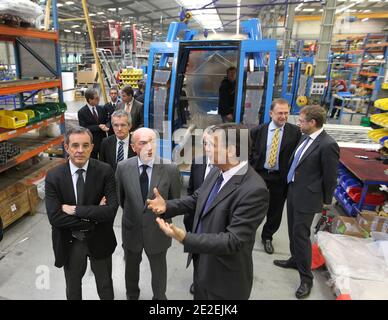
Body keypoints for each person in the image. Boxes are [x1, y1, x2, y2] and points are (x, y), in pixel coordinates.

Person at [147, 123, 269, 300]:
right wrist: (168, 206)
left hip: (224, 279)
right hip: (202, 264)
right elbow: (198, 198)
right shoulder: (217, 171)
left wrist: (185, 238)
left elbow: (233, 240)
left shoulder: (254, 190)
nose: (206, 150)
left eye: (212, 145)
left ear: (232, 151)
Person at [45, 126, 118, 300]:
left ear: (92, 147)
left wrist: (75, 210)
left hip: (100, 239)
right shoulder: (54, 176)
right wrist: (92, 218)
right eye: (75, 145)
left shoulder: (105, 171)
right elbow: (55, 218)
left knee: (105, 285)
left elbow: (111, 210)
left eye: (85, 145)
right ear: (66, 147)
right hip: (71, 242)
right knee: (73, 288)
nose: (80, 150)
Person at [274, 105, 339, 299]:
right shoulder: (305, 137)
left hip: (308, 198)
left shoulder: (328, 145)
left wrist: (326, 201)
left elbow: (330, 176)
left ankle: (306, 279)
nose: (298, 123)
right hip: (294, 191)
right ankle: (295, 259)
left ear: (313, 122)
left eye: (301, 120)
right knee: (293, 230)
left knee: (301, 236)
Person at [116, 127, 181, 300]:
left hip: (158, 232)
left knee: (159, 270)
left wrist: (165, 208)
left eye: (152, 141)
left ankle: (159, 298)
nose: (149, 147)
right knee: (131, 269)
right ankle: (132, 295)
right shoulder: (123, 168)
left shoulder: (171, 169)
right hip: (132, 230)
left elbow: (175, 202)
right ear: (133, 147)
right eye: (143, 143)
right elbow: (122, 199)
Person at [250, 98, 301, 254]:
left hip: (280, 178)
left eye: (286, 113)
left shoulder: (295, 132)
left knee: (275, 209)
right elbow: (251, 152)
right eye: (280, 113)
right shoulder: (258, 131)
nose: (283, 116)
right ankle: (248, 232)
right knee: (253, 205)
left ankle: (267, 237)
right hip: (260, 175)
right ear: (271, 113)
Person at [185, 125, 219, 295]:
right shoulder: (198, 162)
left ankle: (210, 282)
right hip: (195, 220)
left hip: (216, 223)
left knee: (213, 257)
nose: (208, 148)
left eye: (213, 144)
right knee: (196, 254)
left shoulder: (227, 168)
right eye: (206, 143)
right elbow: (191, 190)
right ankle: (197, 280)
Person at [78, 88, 109, 159]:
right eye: (96, 98)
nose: (99, 99)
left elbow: (107, 120)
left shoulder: (101, 108)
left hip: (102, 140)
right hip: (91, 141)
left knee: (104, 160)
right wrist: (98, 127)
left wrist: (107, 126)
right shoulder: (82, 112)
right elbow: (84, 128)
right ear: (90, 100)